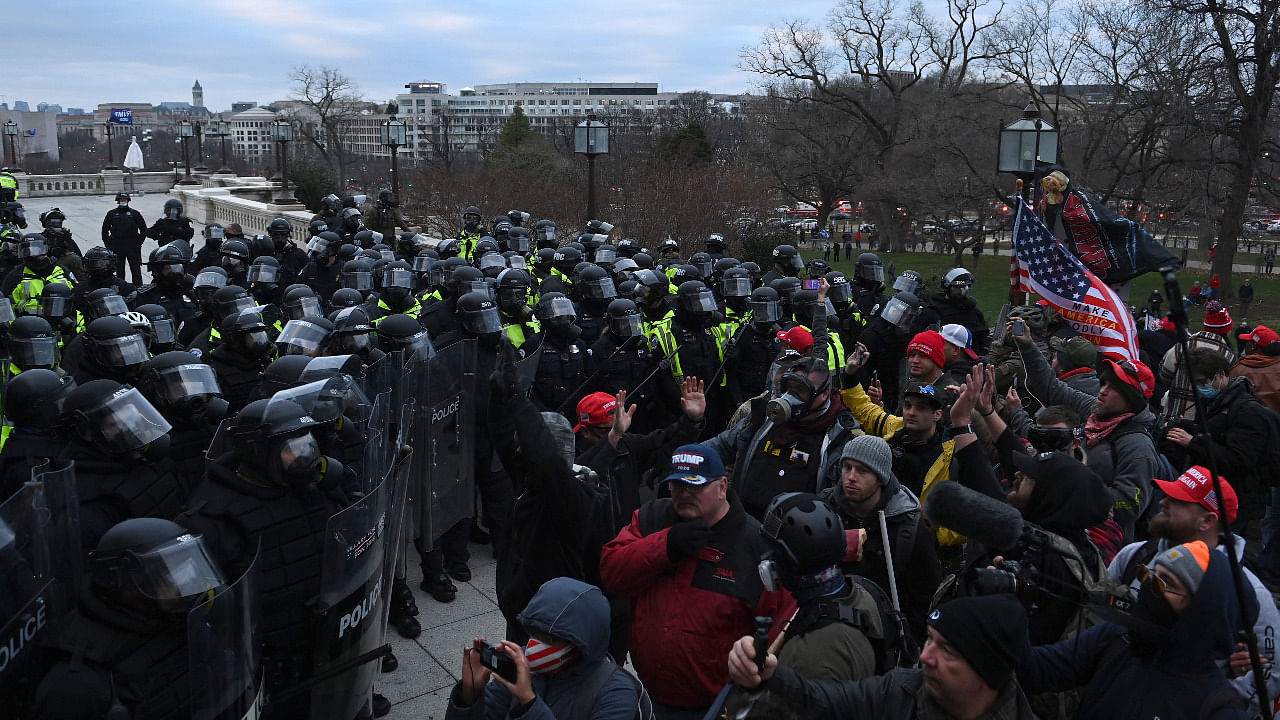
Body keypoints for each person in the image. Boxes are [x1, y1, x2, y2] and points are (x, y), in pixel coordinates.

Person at [600, 443, 794, 719]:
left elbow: (780, 625)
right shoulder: (652, 518)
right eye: (677, 485)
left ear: (722, 487)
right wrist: (665, 546)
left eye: (695, 486)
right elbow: (612, 573)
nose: (685, 494)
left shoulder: (754, 544)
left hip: (718, 706)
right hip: (649, 696)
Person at [1108, 467, 1280, 715]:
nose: (1163, 502)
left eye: (1178, 500)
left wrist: (1213, 704)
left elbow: (1271, 671)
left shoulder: (1250, 592)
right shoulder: (1133, 555)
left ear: (1207, 521)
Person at [1020, 541, 1258, 719]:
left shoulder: (1219, 709)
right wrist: (1011, 603)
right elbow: (1036, 671)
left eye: (1165, 583)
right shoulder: (1118, 638)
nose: (1148, 587)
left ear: (1201, 612)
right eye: (1150, 575)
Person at [30, 517, 226, 720]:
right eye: (171, 573)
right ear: (129, 587)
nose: (188, 582)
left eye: (188, 566)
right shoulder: (75, 686)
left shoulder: (180, 622)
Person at [727, 594, 1036, 720]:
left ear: (986, 673)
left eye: (948, 651)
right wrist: (769, 673)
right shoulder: (902, 690)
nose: (925, 657)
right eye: (930, 640)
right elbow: (826, 698)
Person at [1013, 327, 1163, 543]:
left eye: (1114, 388)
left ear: (1132, 400)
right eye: (1104, 383)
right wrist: (1027, 345)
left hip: (1099, 544)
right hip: (1064, 528)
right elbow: (1052, 388)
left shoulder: (1137, 445)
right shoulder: (1095, 410)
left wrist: (1074, 486)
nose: (1102, 390)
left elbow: (1131, 504)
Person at [449, 577, 639, 720]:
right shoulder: (521, 664)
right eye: (534, 634)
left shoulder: (616, 694)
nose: (534, 646)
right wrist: (469, 696)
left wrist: (529, 703)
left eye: (550, 639)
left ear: (582, 642)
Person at [705, 353, 859, 520]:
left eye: (801, 390)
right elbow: (720, 446)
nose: (790, 396)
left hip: (795, 535)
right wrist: (688, 451)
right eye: (788, 388)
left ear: (824, 395)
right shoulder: (762, 418)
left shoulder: (840, 438)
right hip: (743, 525)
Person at [820, 434, 941, 643]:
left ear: (881, 477)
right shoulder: (824, 510)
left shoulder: (909, 528)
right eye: (847, 467)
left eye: (863, 470)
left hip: (885, 641)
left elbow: (924, 601)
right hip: (827, 630)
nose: (851, 476)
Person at [1164, 348, 1277, 542]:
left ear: (1220, 375)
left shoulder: (1247, 411)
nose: (1198, 388)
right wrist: (1188, 427)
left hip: (1236, 500)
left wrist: (1191, 442)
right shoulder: (1217, 402)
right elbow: (1215, 432)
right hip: (1213, 495)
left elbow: (1238, 460)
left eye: (1201, 382)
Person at [101, 192, 147, 285]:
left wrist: (139, 242)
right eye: (121, 200)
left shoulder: (135, 214)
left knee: (135, 270)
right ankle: (121, 289)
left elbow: (143, 229)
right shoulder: (111, 214)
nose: (123, 201)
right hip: (117, 246)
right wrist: (108, 245)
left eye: (125, 200)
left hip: (132, 246)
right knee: (119, 270)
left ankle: (138, 288)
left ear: (128, 201)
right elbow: (105, 230)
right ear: (118, 201)